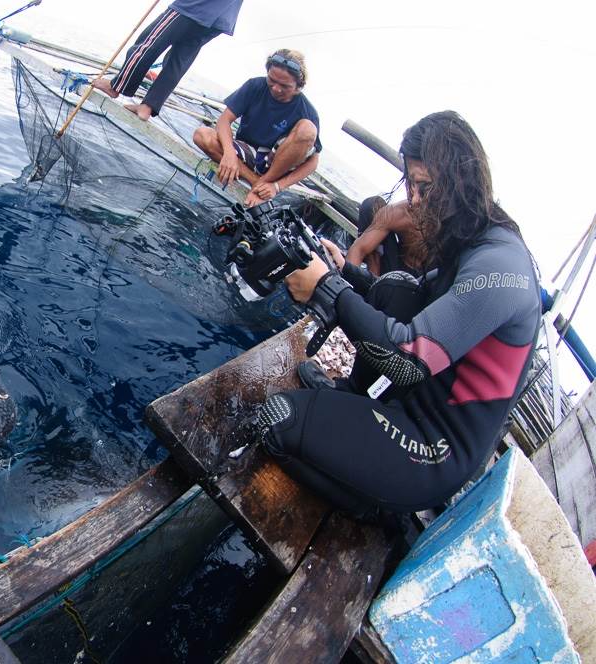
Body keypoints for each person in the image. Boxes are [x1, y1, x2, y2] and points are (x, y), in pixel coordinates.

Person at [248, 111, 540, 516]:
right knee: (397, 287)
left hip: (430, 450)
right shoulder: (471, 243)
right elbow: (408, 301)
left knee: (273, 419)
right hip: (404, 407)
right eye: (412, 187)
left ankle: (373, 507)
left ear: (460, 182)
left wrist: (325, 288)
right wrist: (342, 273)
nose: (415, 202)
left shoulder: (500, 267)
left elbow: (408, 363)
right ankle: (350, 397)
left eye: (424, 187)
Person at [192, 49, 321, 207]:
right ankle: (257, 184)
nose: (275, 88)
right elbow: (224, 120)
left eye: (284, 86)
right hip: (247, 153)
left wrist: (276, 186)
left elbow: (313, 163)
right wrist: (229, 152)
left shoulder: (307, 111)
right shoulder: (255, 85)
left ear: (298, 87)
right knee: (202, 135)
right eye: (272, 80)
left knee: (308, 129)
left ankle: (264, 183)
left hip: (276, 164)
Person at [91, 0, 243, 121]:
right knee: (177, 63)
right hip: (222, 18)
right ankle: (147, 107)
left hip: (194, 6)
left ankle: (116, 87)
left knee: (148, 44)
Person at [346, 195, 426, 278]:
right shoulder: (399, 212)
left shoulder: (439, 228)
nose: (414, 197)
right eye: (412, 184)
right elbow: (358, 249)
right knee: (371, 205)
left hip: (423, 282)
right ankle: (373, 278)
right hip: (393, 268)